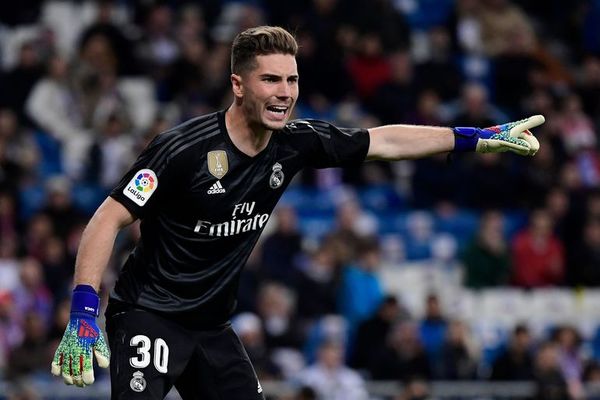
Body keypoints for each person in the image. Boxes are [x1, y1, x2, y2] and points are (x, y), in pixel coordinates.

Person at [50, 25, 544, 399]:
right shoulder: (181, 150)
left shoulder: (296, 143)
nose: (285, 92)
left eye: (291, 79)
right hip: (147, 315)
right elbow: (106, 219)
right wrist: (82, 313)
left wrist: (477, 138)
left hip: (213, 326)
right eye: (270, 80)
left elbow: (385, 140)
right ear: (239, 85)